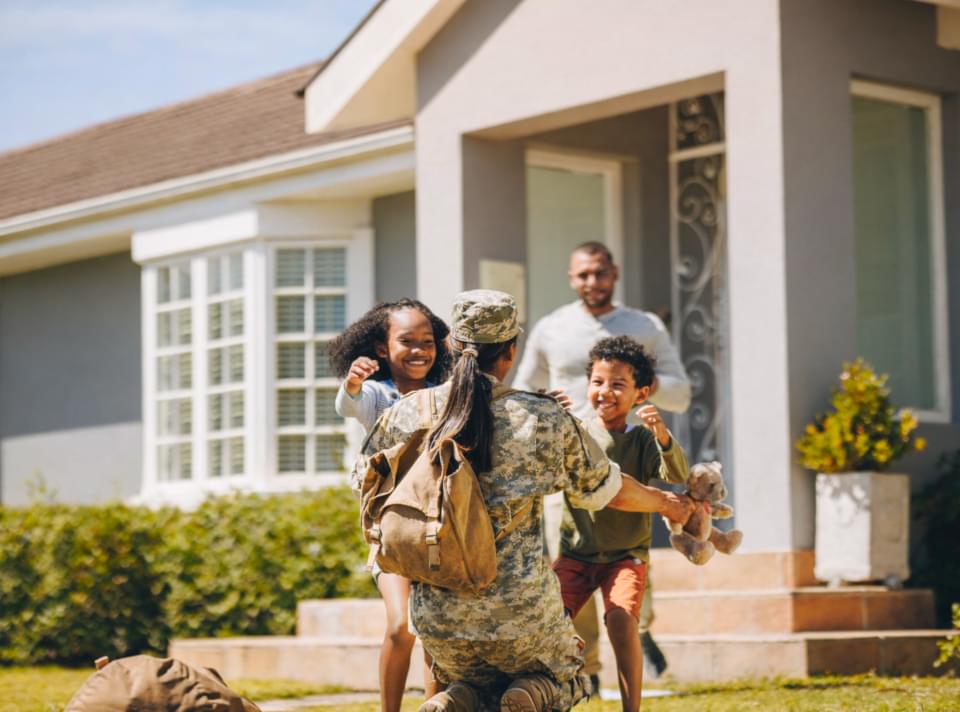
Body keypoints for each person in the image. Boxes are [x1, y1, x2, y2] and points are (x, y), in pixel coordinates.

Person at [354, 290, 694, 712]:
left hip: (439, 621)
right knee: (569, 676)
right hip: (524, 620)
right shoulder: (540, 417)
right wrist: (669, 504)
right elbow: (608, 489)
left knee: (467, 677)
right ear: (510, 351)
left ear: (452, 347)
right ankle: (532, 691)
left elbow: (367, 489)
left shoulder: (406, 413)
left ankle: (456, 696)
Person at [513, 241, 691, 685]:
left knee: (627, 560)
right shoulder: (552, 328)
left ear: (614, 273)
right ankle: (587, 668)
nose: (592, 282)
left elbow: (682, 392)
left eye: (599, 272)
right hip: (569, 462)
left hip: (624, 458)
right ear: (572, 279)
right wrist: (552, 408)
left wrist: (628, 382)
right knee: (569, 561)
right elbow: (521, 390)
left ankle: (640, 632)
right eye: (582, 275)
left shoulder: (644, 325)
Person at [553, 336, 689, 712]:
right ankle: (553, 695)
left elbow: (676, 473)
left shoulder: (643, 439)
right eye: (597, 382)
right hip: (575, 554)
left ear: (641, 394)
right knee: (552, 620)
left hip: (625, 556)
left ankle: (632, 706)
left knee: (620, 620)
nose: (605, 391)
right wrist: (551, 418)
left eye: (618, 384)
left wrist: (662, 435)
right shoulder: (576, 432)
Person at [329, 298, 452, 712]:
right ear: (382, 348)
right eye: (407, 341)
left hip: (438, 527)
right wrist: (352, 384)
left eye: (428, 341)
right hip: (391, 531)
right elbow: (351, 404)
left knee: (435, 631)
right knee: (401, 627)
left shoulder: (445, 395)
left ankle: (435, 707)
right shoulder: (379, 397)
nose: (419, 350)